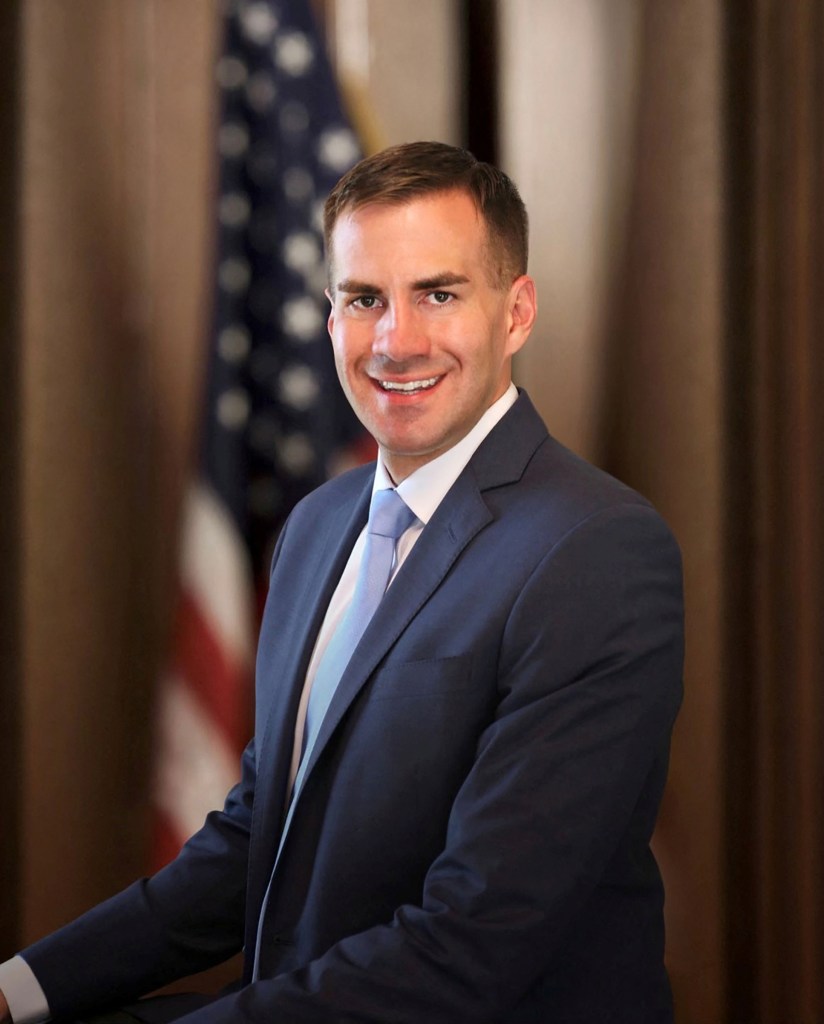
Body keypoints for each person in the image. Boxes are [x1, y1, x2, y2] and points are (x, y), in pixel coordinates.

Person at [0, 141, 684, 1023]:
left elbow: (475, 944)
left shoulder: (597, 552)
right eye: (365, 299)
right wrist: (19, 990)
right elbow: (263, 838)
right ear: (331, 320)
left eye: (439, 294)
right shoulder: (319, 528)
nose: (396, 341)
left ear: (516, 314)